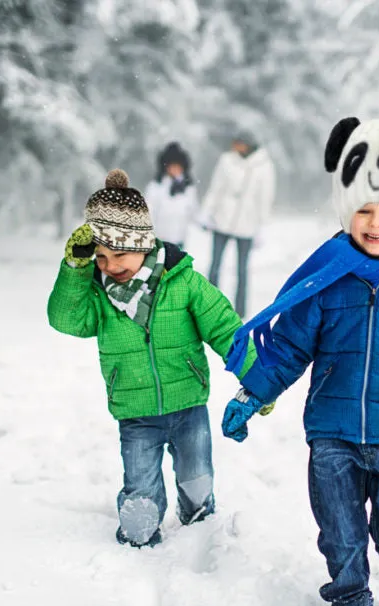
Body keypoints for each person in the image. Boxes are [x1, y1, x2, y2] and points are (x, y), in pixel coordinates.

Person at [219, 118, 379, 606]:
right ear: (345, 210)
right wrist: (252, 394)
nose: (376, 223)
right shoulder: (328, 280)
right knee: (339, 529)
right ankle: (351, 596)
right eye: (364, 211)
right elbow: (288, 346)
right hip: (332, 433)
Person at [47, 168, 257, 548]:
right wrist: (76, 269)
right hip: (135, 411)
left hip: (188, 405)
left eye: (119, 254)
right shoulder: (97, 295)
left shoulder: (184, 282)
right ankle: (139, 537)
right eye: (100, 257)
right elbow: (65, 319)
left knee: (197, 479)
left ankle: (199, 530)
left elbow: (227, 329)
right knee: (140, 495)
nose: (109, 266)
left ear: (142, 244)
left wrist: (260, 379)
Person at [199, 130, 276, 317]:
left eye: (239, 143)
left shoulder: (264, 166)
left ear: (248, 144)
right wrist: (207, 211)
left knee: (242, 269)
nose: (235, 147)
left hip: (247, 223)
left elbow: (266, 197)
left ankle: (240, 311)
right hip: (222, 218)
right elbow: (216, 187)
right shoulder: (226, 160)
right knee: (215, 264)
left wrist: (262, 227)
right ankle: (209, 305)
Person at [144, 142, 201, 250]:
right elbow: (149, 210)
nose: (175, 169)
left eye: (178, 166)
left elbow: (194, 210)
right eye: (172, 166)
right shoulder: (156, 186)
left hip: (179, 237)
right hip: (159, 238)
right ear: (166, 167)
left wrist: (203, 222)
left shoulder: (188, 188)